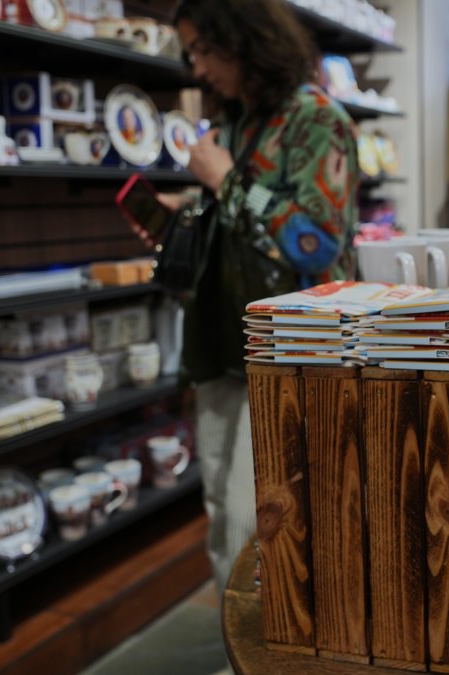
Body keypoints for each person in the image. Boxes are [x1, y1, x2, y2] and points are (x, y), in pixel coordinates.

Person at [164, 0, 358, 590]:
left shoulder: (316, 119)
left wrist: (226, 181)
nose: (197, 68)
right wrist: (187, 214)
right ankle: (240, 636)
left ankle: (271, 636)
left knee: (261, 521)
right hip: (222, 344)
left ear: (243, 38)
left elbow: (316, 243)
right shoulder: (236, 123)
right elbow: (241, 219)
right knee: (223, 514)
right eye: (190, 54)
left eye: (203, 49)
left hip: (289, 352)